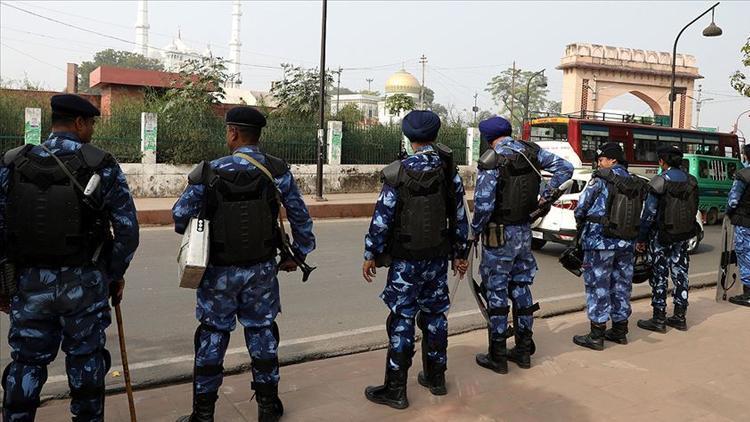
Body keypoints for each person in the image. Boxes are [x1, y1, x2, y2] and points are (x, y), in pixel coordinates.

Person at [0, 94, 140, 421]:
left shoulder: (12, 162)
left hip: (29, 284)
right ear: (79, 123)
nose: (91, 130)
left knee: (27, 363)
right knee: (86, 360)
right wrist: (111, 273)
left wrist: (4, 283)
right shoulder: (101, 163)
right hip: (85, 285)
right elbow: (128, 232)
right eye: (90, 123)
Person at [173, 106, 315, 422]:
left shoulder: (209, 171)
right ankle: (267, 407)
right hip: (262, 271)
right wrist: (299, 253)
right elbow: (300, 217)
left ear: (233, 132)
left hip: (217, 273)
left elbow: (179, 218)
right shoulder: (277, 170)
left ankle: (204, 413)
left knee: (212, 335)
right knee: (262, 334)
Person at [362, 110, 469, 409]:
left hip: (405, 261)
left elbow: (382, 218)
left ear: (409, 138)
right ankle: (436, 379)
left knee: (402, 318)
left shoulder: (398, 172)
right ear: (435, 135)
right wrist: (460, 254)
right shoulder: (449, 171)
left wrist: (371, 253)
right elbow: (460, 217)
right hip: (437, 257)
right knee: (435, 316)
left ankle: (396, 389)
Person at [471, 116, 573, 373]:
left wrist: (473, 231)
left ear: (487, 138)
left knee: (496, 290)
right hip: (524, 230)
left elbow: (483, 206)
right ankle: (524, 349)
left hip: (498, 233)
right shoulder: (531, 151)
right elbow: (566, 168)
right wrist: (545, 198)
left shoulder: (492, 159)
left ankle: (497, 355)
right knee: (521, 286)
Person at [572, 143, 644, 350]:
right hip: (626, 242)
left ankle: (596, 335)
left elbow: (582, 207)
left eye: (602, 159)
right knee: (621, 285)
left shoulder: (600, 179)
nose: (599, 163)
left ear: (612, 160)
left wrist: (581, 224)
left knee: (598, 286)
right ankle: (620, 331)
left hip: (600, 242)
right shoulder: (635, 182)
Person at [637, 146, 699, 332]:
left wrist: (641, 238)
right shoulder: (692, 181)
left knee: (659, 275)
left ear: (662, 161)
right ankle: (680, 316)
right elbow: (694, 207)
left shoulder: (659, 181)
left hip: (661, 236)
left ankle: (659, 318)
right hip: (683, 235)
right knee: (681, 274)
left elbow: (648, 214)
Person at [726, 144, 750, 307]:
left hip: (744, 221)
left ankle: (748, 293)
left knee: (745, 254)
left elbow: (733, 200)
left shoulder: (743, 175)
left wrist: (728, 212)